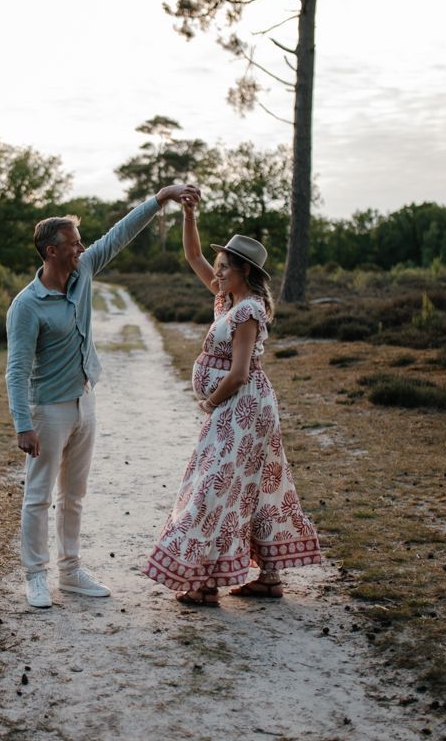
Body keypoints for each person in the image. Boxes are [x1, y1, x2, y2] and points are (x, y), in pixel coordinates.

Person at [6, 183, 202, 609]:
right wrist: (23, 424)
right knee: (38, 496)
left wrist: (161, 198)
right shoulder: (27, 306)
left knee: (74, 494)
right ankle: (36, 577)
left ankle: (71, 571)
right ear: (50, 250)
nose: (81, 248)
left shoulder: (84, 272)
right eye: (73, 244)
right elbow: (17, 370)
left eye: (80, 243)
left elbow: (119, 234)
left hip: (84, 402)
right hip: (47, 411)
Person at [143, 200, 322, 606]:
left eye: (225, 267)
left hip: (243, 408)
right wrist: (189, 216)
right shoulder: (228, 299)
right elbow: (192, 255)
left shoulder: (249, 311)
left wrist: (210, 402)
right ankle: (269, 579)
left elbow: (240, 372)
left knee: (214, 488)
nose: (217, 271)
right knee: (253, 487)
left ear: (246, 273)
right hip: (241, 409)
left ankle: (205, 582)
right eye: (219, 265)